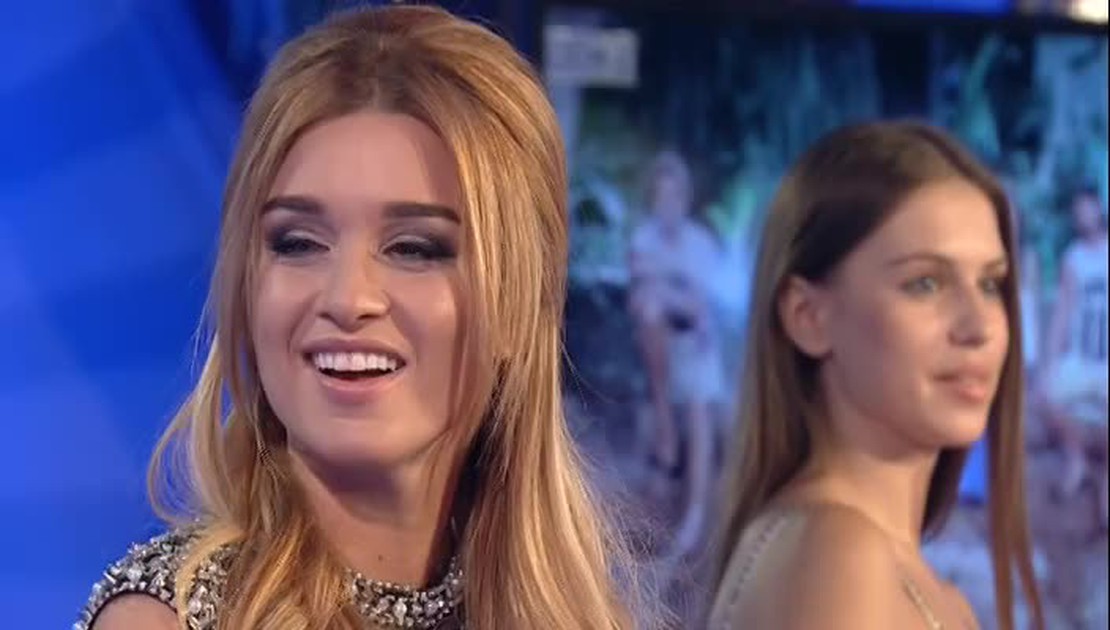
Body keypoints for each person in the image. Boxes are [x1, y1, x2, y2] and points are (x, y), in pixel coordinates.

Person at [77, 6, 645, 629]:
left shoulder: (574, 614)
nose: (347, 299)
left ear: (516, 300)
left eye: (414, 249)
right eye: (298, 243)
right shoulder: (164, 620)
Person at [708, 121, 1044, 629]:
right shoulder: (840, 556)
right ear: (807, 316)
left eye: (991, 284)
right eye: (925, 283)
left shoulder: (893, 572)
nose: (979, 327)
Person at [626, 150, 727, 558]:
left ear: (684, 199)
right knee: (650, 311)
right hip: (660, 348)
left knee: (700, 406)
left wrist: (664, 288)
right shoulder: (643, 238)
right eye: (660, 196)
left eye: (674, 196)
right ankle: (665, 425)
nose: (667, 204)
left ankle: (695, 516)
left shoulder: (701, 243)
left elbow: (698, 309)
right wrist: (670, 292)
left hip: (696, 345)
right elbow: (639, 299)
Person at [1040, 187, 1108, 527]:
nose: (1083, 215)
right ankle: (1077, 457)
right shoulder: (1073, 259)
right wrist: (1050, 362)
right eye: (1077, 210)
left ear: (1099, 208)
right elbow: (1063, 313)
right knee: (1046, 395)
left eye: (1087, 207)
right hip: (1082, 360)